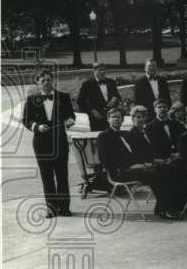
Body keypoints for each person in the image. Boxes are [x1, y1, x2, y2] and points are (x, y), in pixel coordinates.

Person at [98, 106, 181, 219]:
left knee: (165, 170)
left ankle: (167, 206)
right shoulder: (104, 136)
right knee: (155, 174)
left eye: (119, 117)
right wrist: (131, 166)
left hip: (133, 168)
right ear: (108, 119)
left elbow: (132, 154)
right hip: (119, 173)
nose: (116, 119)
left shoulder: (124, 134)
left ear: (123, 119)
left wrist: (142, 163)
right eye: (113, 117)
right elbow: (106, 161)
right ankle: (163, 210)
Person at [22, 69, 75, 217]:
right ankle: (51, 209)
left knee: (62, 176)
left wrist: (70, 121)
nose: (46, 83)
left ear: (53, 81)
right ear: (38, 82)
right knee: (47, 177)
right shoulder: (32, 99)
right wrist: (37, 127)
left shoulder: (63, 97)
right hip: (41, 143)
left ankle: (65, 208)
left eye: (49, 79)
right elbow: (26, 120)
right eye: (43, 80)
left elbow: (71, 115)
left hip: (60, 142)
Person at [75, 63, 121, 131]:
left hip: (112, 117)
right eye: (100, 70)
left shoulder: (111, 82)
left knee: (114, 139)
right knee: (98, 138)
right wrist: (92, 111)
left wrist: (115, 99)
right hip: (96, 118)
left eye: (104, 70)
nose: (103, 72)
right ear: (94, 71)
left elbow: (118, 96)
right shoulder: (87, 84)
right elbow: (80, 101)